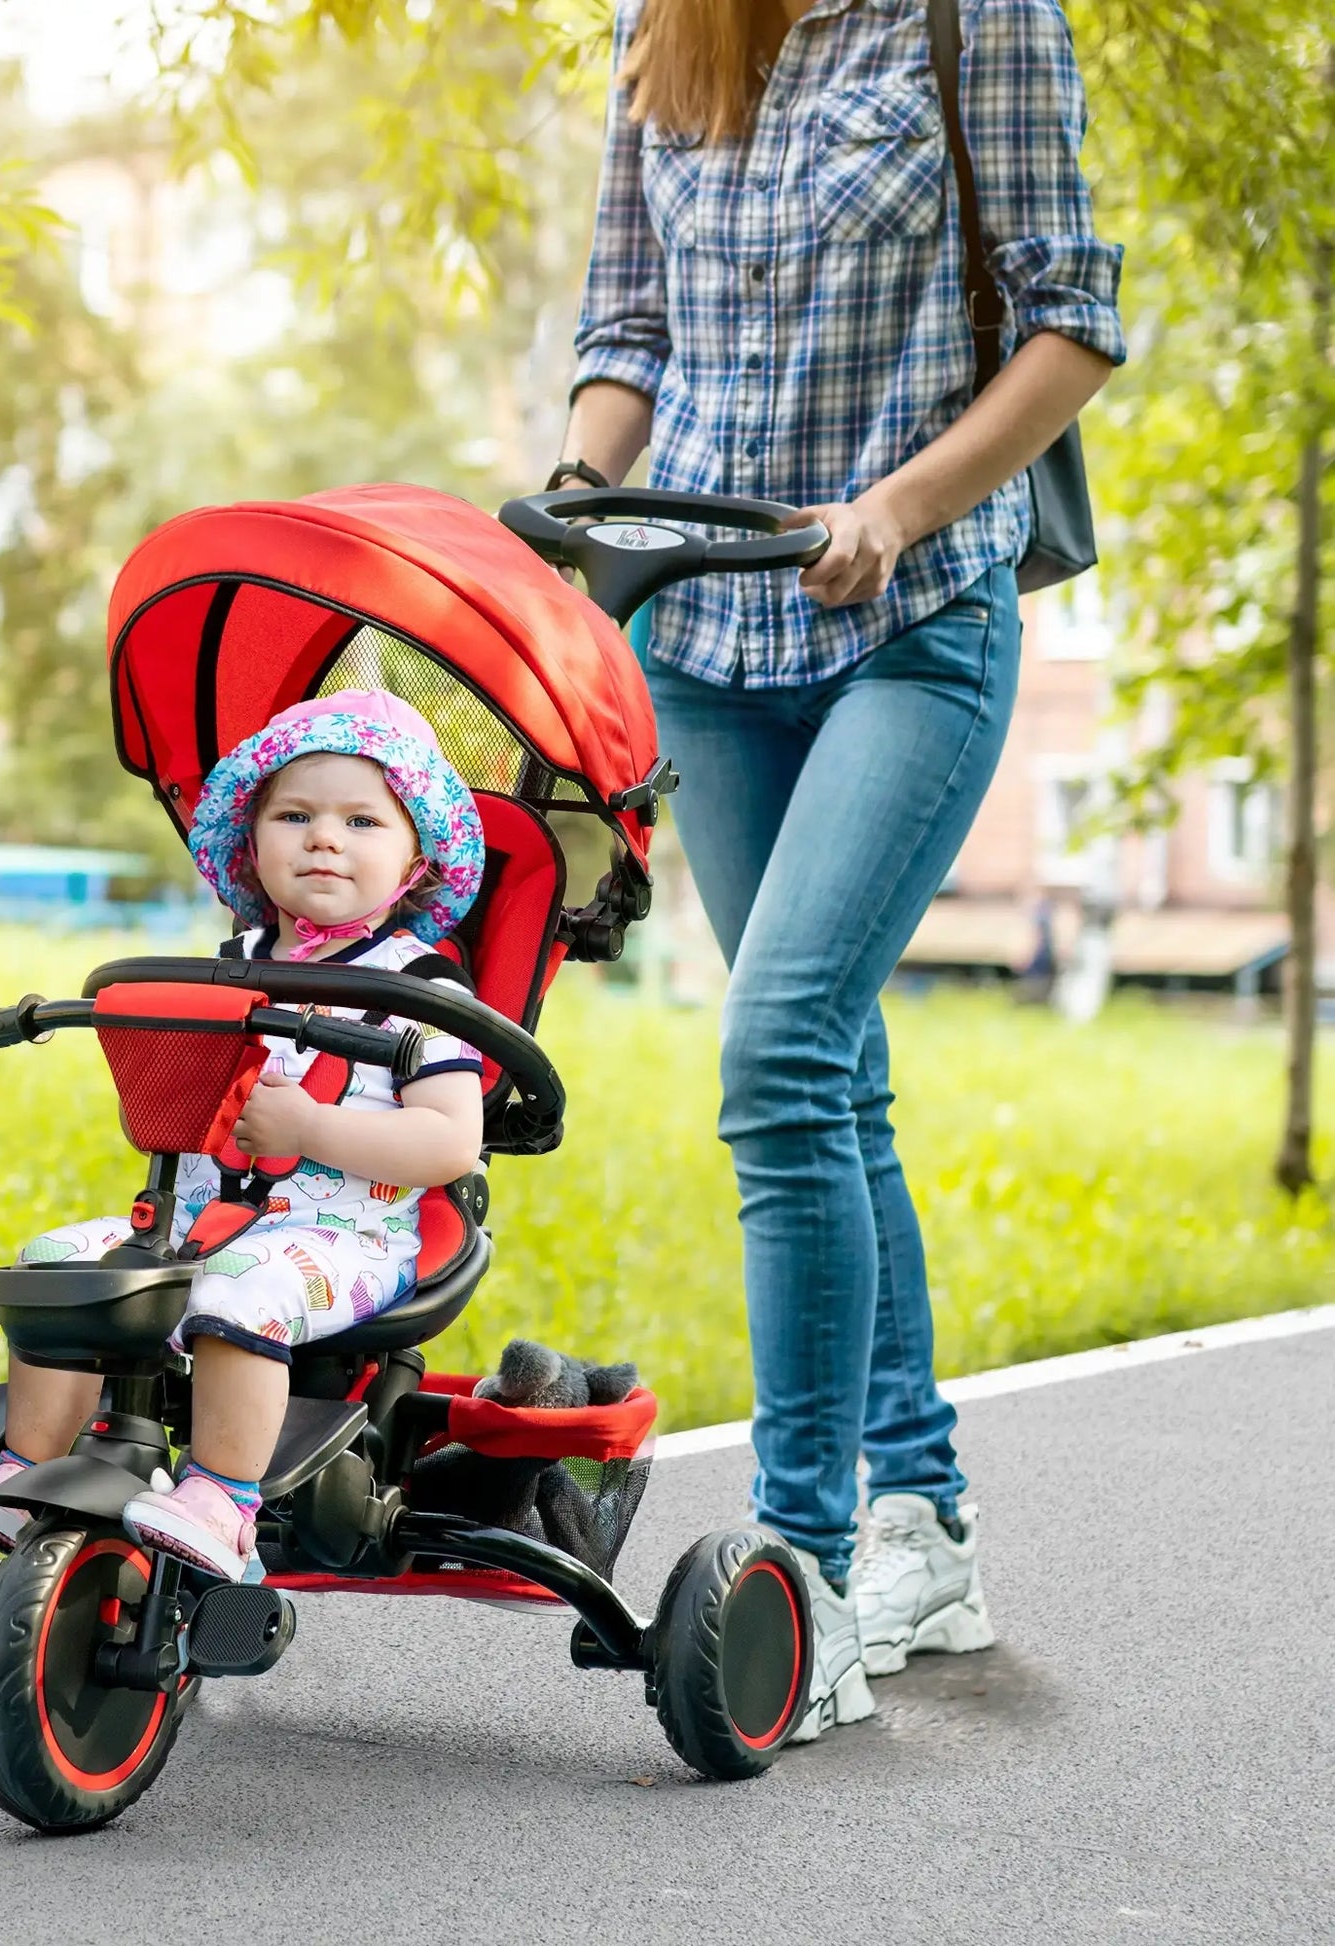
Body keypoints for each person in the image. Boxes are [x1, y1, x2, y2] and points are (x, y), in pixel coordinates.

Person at [555, 0, 1124, 1739]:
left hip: (907, 619)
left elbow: (1073, 321)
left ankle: (797, 1579)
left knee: (782, 1047)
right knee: (833, 1076)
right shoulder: (670, 30)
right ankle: (920, 1523)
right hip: (705, 628)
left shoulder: (978, 19)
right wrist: (579, 485)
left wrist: (906, 500)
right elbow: (629, 321)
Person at [0, 691, 489, 1582]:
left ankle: (223, 1498)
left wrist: (311, 1126)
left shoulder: (421, 991)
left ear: (417, 858)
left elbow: (450, 1142)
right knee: (58, 1264)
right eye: (295, 815)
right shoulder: (226, 969)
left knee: (239, 1294)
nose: (324, 839)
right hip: (198, 1223)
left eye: (361, 820)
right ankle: (29, 1465)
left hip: (347, 1235)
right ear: (252, 838)